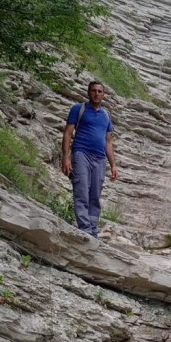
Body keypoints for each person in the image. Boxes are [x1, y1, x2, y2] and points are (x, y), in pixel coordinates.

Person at [61, 81, 118, 238]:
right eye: (93, 91)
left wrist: (113, 165)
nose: (97, 94)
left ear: (103, 94)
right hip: (81, 154)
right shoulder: (78, 109)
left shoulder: (106, 115)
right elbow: (67, 134)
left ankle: (93, 230)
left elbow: (108, 142)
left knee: (95, 196)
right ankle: (85, 229)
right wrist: (65, 157)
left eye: (100, 91)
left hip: (100, 159)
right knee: (82, 192)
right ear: (88, 92)